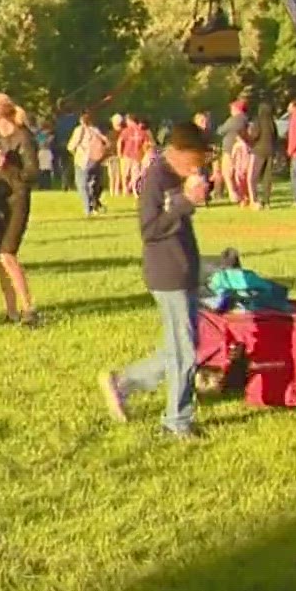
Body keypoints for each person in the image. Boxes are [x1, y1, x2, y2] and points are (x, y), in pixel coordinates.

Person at [99, 120, 212, 441]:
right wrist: (185, 203)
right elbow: (149, 230)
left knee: (179, 348)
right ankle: (176, 421)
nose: (197, 167)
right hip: (167, 274)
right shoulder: (156, 179)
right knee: (185, 353)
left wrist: (196, 194)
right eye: (194, 160)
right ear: (176, 152)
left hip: (185, 268)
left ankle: (123, 383)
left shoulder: (179, 177)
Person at [0, 92, 41, 327]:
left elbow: (32, 174)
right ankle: (11, 312)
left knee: (7, 254)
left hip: (16, 200)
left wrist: (9, 165)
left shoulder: (23, 137)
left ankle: (29, 309)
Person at [68, 111, 108, 216]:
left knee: (82, 184)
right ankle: (95, 204)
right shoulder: (95, 130)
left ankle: (88, 208)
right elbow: (106, 141)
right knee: (93, 183)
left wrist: (75, 154)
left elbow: (71, 146)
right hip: (96, 160)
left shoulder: (79, 130)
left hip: (83, 160)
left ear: (81, 120)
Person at [249, 99, 278, 208]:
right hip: (270, 151)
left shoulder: (258, 121)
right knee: (267, 177)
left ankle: (255, 199)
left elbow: (255, 135)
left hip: (259, 151)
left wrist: (250, 139)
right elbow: (276, 137)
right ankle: (267, 201)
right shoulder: (272, 123)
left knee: (254, 177)